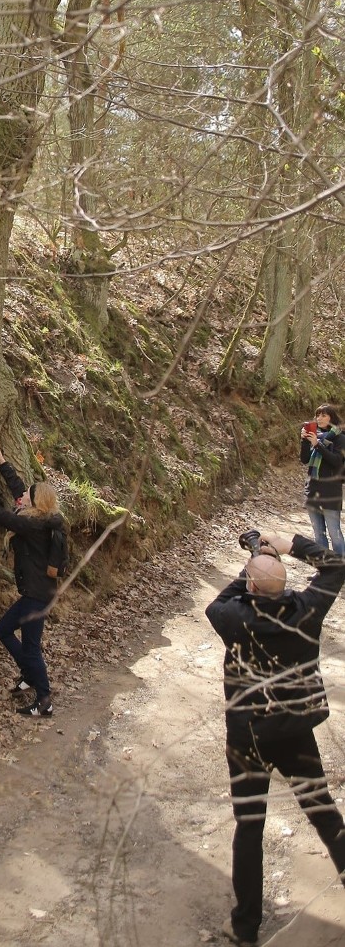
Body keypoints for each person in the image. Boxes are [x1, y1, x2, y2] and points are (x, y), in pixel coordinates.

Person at [206, 531, 345, 947]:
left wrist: (251, 562)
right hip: (295, 730)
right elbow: (336, 566)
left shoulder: (237, 617)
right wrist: (288, 545)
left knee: (249, 826)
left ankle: (246, 926)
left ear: (250, 586)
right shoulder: (306, 609)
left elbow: (219, 602)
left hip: (249, 735)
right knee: (321, 810)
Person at [0, 439, 68, 718]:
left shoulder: (31, 525)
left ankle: (44, 699)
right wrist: (1, 460)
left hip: (36, 596)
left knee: (30, 647)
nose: (22, 497)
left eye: (28, 496)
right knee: (4, 630)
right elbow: (19, 489)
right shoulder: (41, 517)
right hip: (36, 593)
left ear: (36, 503)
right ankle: (31, 676)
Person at [300, 403, 345, 555]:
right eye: (317, 415)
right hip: (312, 490)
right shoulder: (314, 435)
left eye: (324, 415)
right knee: (319, 534)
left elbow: (337, 461)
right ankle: (325, 570)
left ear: (332, 418)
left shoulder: (340, 438)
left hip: (330, 492)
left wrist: (317, 445)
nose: (319, 418)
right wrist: (305, 441)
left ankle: (341, 569)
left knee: (334, 533)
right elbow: (305, 459)